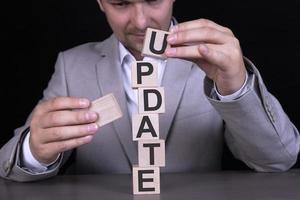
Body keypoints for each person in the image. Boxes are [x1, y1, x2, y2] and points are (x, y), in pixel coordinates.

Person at [0, 0, 299, 182]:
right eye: (120, 3)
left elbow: (278, 160)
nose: (140, 21)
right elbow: (7, 163)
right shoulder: (72, 65)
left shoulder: (216, 59)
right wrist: (34, 150)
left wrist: (236, 87)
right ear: (100, 2)